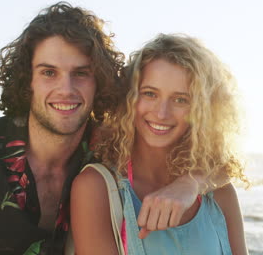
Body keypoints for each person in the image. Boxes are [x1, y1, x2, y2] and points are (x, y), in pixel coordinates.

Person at [0, 3, 227, 255]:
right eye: (49, 73)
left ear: (98, 79)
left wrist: (190, 183)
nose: (66, 89)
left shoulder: (107, 145)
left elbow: (218, 160)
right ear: (26, 79)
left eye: (80, 73)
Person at [71, 34, 249, 254]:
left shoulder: (219, 193)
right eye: (150, 94)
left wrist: (190, 184)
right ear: (129, 98)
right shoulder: (97, 188)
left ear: (202, 111)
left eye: (180, 99)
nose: (162, 113)